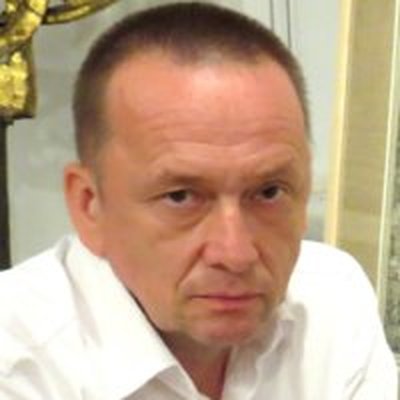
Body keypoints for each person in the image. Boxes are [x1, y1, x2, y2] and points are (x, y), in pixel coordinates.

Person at [0, 3, 397, 399]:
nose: (235, 254)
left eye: (269, 192)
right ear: (90, 206)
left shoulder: (330, 298)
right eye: (181, 197)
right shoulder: (17, 360)